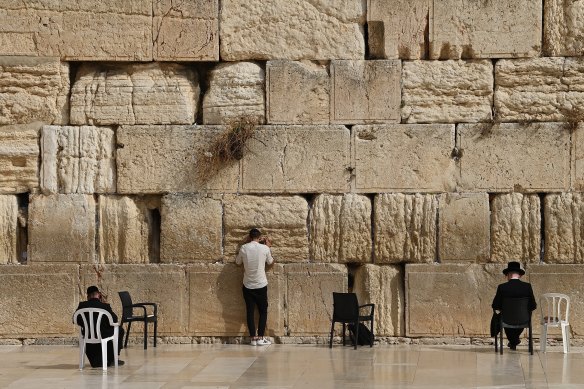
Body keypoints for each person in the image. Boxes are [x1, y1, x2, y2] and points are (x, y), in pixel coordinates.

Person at [236, 228, 275, 346]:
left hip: (248, 285)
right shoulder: (265, 248)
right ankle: (261, 337)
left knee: (250, 312)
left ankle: (253, 338)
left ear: (249, 237)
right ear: (260, 237)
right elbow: (270, 262)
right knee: (263, 311)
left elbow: (237, 262)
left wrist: (245, 244)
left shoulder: (243, 248)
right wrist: (269, 247)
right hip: (261, 284)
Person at [75, 286, 125, 367]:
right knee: (120, 330)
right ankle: (115, 357)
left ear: (88, 296)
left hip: (88, 336)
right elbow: (114, 320)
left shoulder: (82, 305)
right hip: (103, 334)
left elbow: (76, 320)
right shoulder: (105, 306)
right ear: (99, 295)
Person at [491, 261, 537, 350]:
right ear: (519, 275)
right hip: (524, 319)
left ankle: (513, 341)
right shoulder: (527, 287)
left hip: (506, 319)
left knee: (503, 317)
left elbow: (495, 305)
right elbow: (533, 305)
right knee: (519, 319)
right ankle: (514, 341)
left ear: (508, 275)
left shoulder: (502, 287)